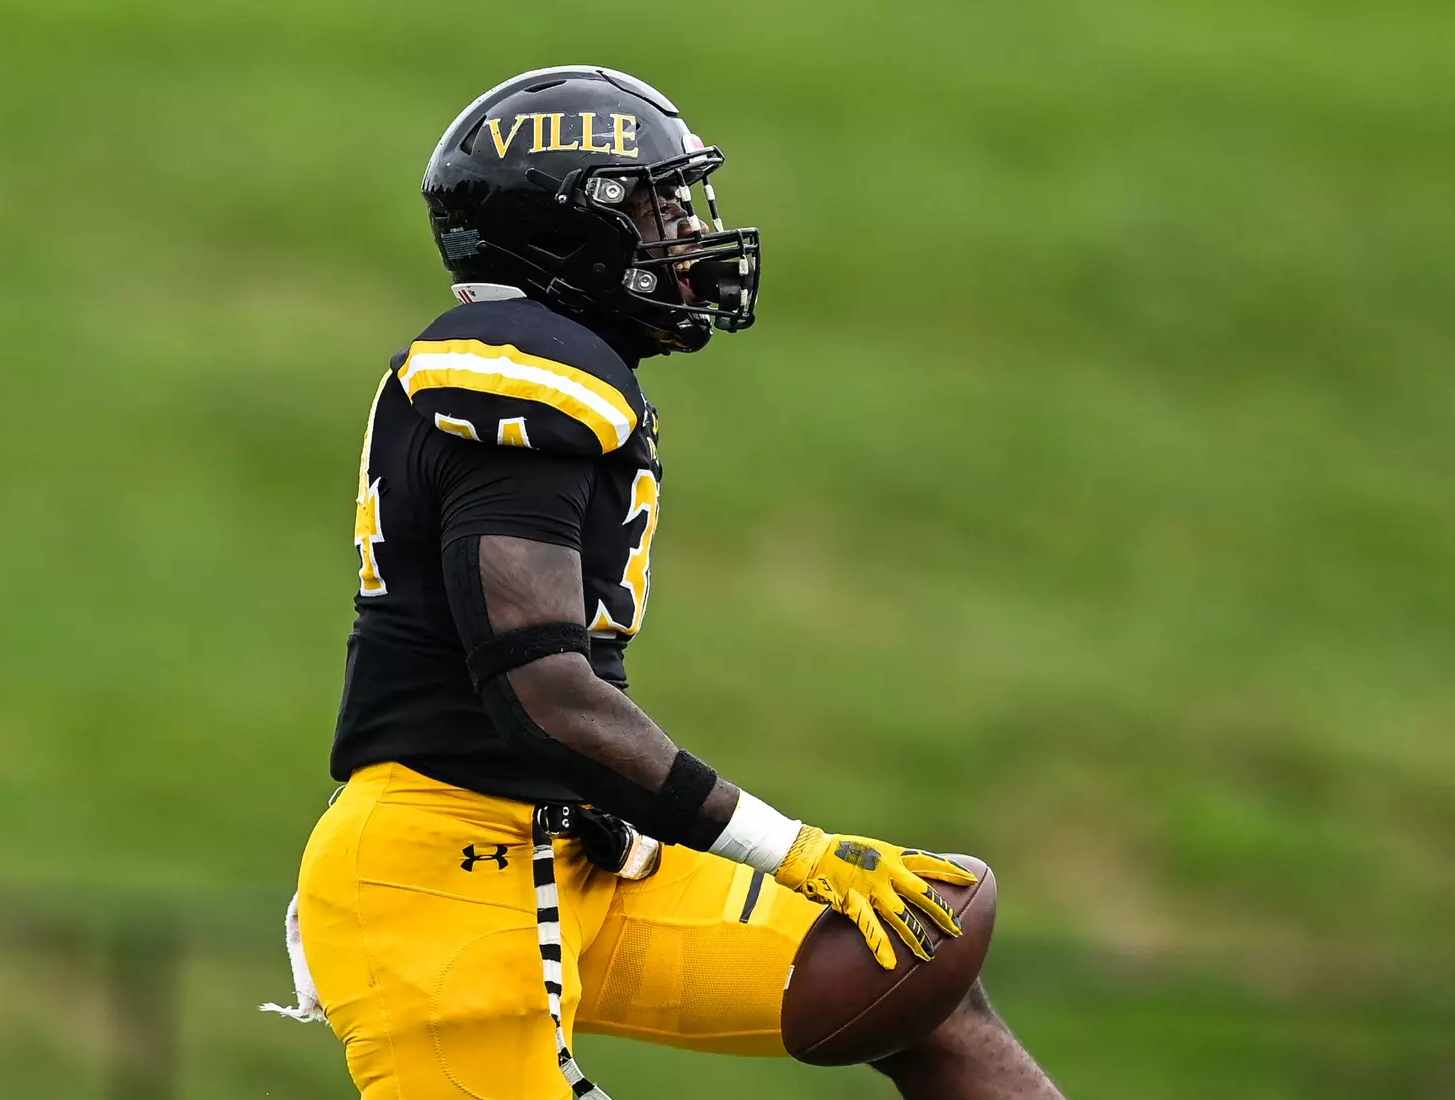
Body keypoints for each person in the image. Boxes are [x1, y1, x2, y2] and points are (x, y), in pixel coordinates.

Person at [267, 66, 1064, 1100]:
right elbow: (542, 690)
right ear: (568, 228)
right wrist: (792, 846)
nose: (685, 231)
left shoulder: (561, 361)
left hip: (574, 852)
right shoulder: (517, 361)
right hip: (443, 876)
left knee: (910, 962)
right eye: (656, 204)